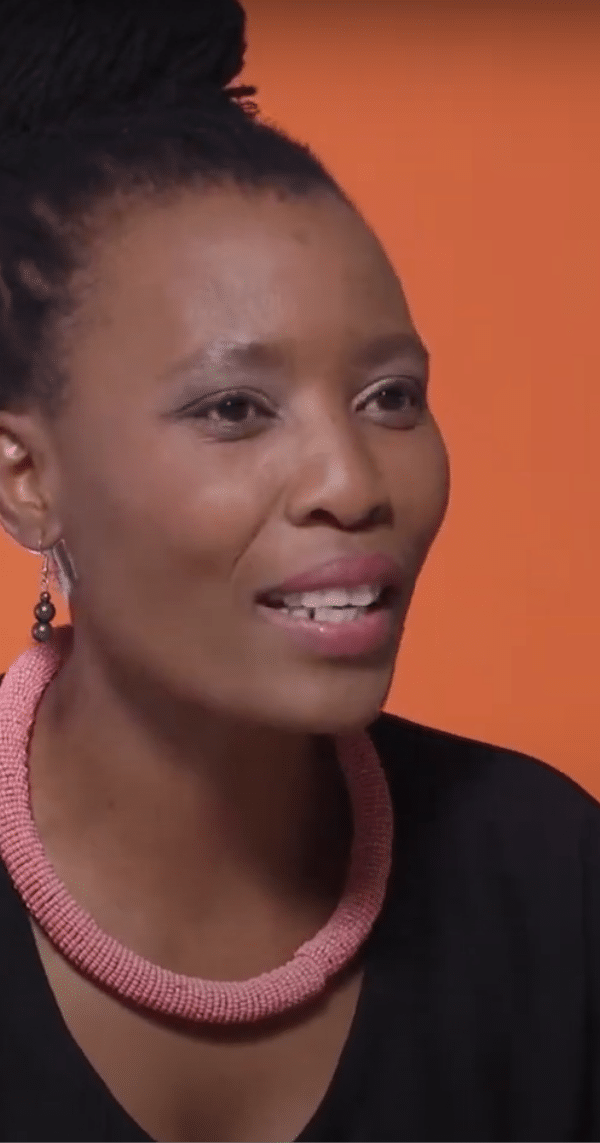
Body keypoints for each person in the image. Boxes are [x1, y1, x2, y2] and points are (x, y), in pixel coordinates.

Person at [0, 2, 598, 1141]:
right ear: (26, 477)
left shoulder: (549, 878)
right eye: (235, 408)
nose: (353, 480)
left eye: (391, 397)